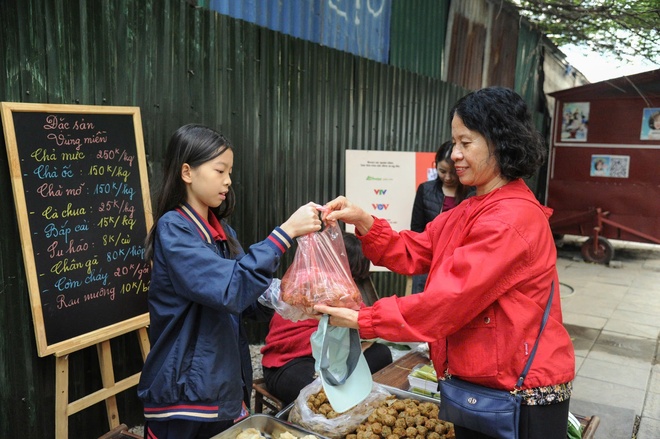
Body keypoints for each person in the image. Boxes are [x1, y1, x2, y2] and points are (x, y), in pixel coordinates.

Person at [315, 87, 575, 439]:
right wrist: (363, 221)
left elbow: (449, 300)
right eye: (454, 143)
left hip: (519, 393)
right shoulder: (472, 208)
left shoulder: (509, 218)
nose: (455, 155)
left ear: (500, 141)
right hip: (484, 384)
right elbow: (414, 250)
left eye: (466, 143)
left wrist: (366, 319)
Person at [137, 124, 322, 439]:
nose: (228, 180)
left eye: (230, 171)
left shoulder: (223, 234)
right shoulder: (174, 229)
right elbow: (229, 289)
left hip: (223, 387)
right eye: (220, 170)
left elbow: (247, 299)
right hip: (186, 393)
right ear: (187, 172)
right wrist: (285, 233)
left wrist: (292, 298)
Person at [260, 231, 392, 406]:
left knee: (381, 353)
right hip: (288, 362)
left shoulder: (346, 290)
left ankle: (345, 393)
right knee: (317, 393)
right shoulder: (309, 282)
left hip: (328, 358)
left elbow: (364, 321)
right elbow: (362, 320)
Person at [410, 141, 474, 293]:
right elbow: (416, 229)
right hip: (428, 259)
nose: (448, 177)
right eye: (442, 171)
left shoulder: (471, 193)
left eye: (453, 172)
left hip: (457, 262)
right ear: (436, 165)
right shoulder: (425, 190)